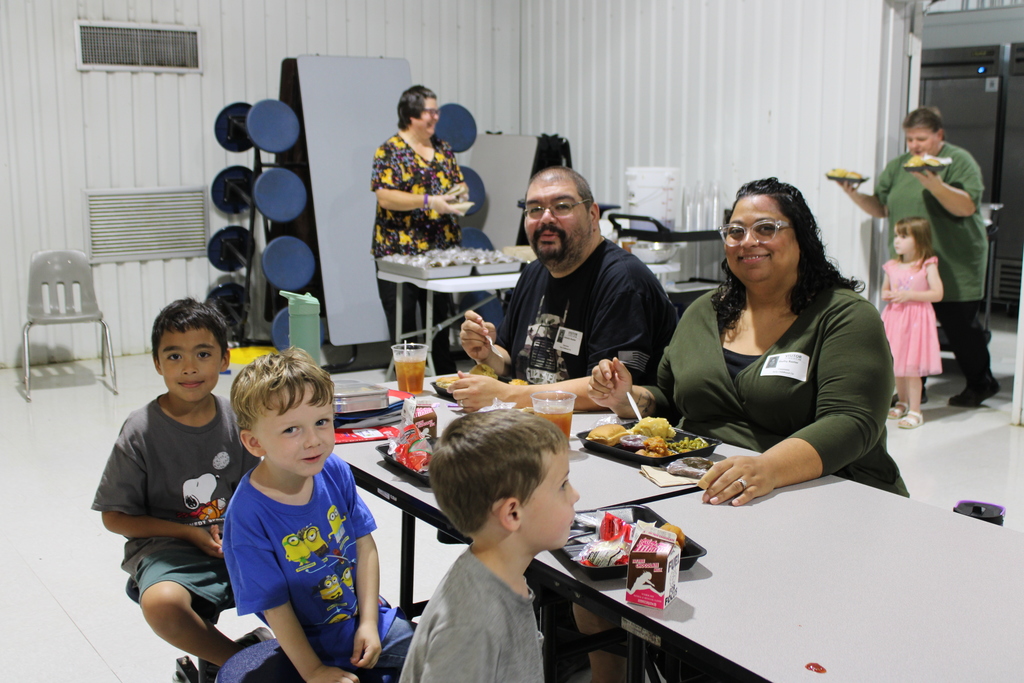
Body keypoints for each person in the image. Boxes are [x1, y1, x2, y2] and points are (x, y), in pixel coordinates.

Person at [585, 178, 909, 682]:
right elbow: (668, 398)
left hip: (827, 505)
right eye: (735, 230)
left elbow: (853, 422)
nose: (747, 241)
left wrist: (768, 468)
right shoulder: (703, 311)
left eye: (766, 228)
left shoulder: (844, 317)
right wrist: (631, 396)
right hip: (712, 496)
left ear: (800, 238)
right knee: (593, 580)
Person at [92, 298, 265, 669]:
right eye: (174, 357)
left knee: (310, 567)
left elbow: (260, 485)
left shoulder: (239, 418)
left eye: (203, 354)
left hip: (237, 542)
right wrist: (187, 534)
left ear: (224, 359)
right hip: (168, 549)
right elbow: (114, 516)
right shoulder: (141, 430)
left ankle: (295, 652)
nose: (189, 368)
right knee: (162, 603)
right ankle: (241, 665)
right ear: (157, 363)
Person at [223, 348, 413, 682]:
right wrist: (313, 671)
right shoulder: (248, 515)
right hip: (305, 640)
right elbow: (274, 604)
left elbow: (364, 546)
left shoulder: (335, 470)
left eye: (322, 422)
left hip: (359, 618)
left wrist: (368, 621)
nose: (314, 441)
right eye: (291, 430)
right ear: (254, 443)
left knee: (437, 656)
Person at [453, 166, 678, 411]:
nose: (546, 218)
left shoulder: (623, 281)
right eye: (535, 209)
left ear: (593, 215)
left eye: (562, 206)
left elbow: (608, 390)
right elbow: (511, 360)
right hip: (536, 423)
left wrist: (509, 396)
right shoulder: (533, 272)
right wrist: (487, 353)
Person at [399, 409, 580, 683]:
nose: (575, 495)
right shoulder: (473, 625)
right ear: (512, 514)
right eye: (563, 485)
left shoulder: (504, 575)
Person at [834, 106, 997, 407]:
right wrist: (853, 193)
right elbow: (881, 208)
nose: (915, 146)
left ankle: (980, 382)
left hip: (955, 262)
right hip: (912, 268)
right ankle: (913, 389)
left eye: (921, 139)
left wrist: (933, 182)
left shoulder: (958, 162)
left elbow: (967, 207)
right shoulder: (899, 166)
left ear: (939, 135)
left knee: (960, 329)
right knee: (911, 327)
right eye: (910, 140)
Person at [372, 84, 468, 375]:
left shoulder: (442, 148)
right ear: (411, 115)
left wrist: (459, 193)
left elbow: (458, 183)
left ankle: (444, 378)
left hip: (439, 250)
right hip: (398, 251)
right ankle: (408, 382)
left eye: (436, 110)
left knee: (440, 317)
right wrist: (429, 202)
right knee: (404, 320)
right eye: (430, 111)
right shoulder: (389, 150)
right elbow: (385, 196)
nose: (436, 117)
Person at [882, 217, 944, 430]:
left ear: (919, 239)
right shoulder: (892, 266)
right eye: (896, 235)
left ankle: (915, 409)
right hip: (896, 318)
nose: (897, 241)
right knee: (898, 363)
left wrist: (910, 295)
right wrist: (890, 295)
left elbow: (937, 293)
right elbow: (884, 291)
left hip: (916, 320)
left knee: (912, 367)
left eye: (903, 236)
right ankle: (901, 401)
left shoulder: (927, 264)